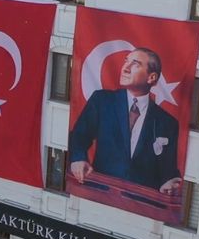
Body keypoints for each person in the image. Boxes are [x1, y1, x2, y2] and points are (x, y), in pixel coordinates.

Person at [68, 47, 182, 195]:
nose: (125, 68)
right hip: (101, 194)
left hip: (142, 204)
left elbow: (168, 170)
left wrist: (169, 181)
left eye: (135, 64)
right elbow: (79, 136)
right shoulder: (102, 101)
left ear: (151, 78)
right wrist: (78, 159)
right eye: (126, 61)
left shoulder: (168, 122)